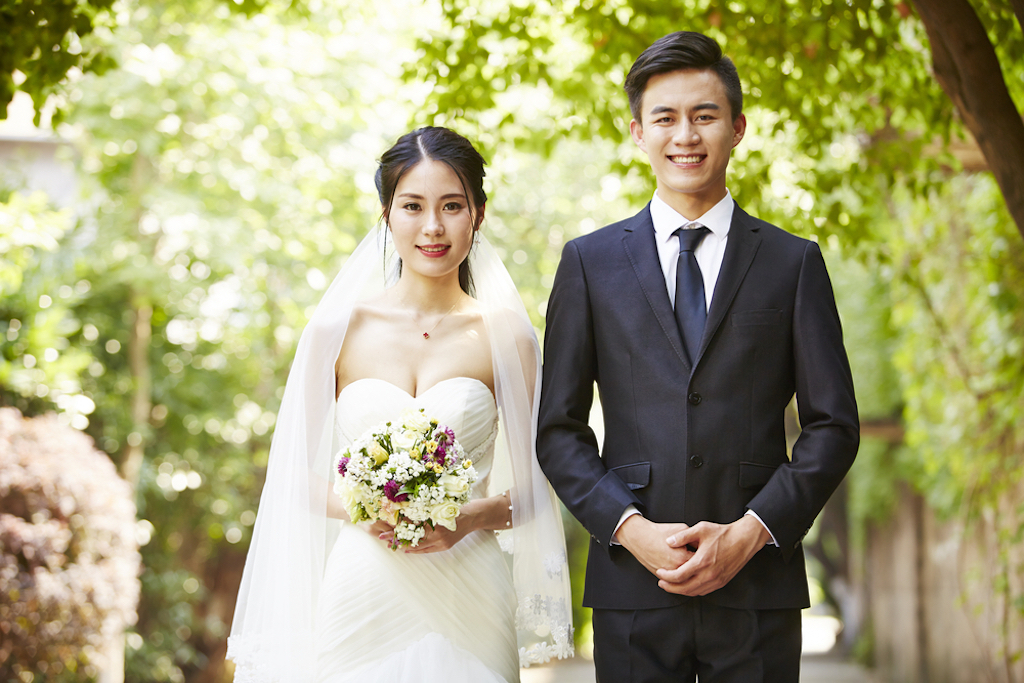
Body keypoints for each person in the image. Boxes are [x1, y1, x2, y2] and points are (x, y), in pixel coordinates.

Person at [536, 31, 859, 682]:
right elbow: (558, 430)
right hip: (632, 584)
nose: (686, 134)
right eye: (666, 117)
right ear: (638, 131)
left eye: (704, 115)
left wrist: (751, 530)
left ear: (737, 128)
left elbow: (833, 426)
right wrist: (629, 528)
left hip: (758, 587)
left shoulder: (794, 263)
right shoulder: (589, 264)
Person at [227, 127, 573, 683]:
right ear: (387, 214)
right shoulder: (336, 330)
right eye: (412, 206)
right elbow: (290, 475)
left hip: (473, 586)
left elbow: (542, 485)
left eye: (452, 206)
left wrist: (466, 519)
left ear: (478, 215)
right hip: (363, 587)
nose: (432, 227)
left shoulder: (507, 334)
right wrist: (367, 508)